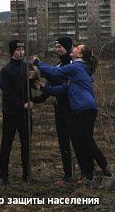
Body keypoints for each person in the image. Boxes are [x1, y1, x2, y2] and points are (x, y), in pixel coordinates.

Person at [33, 44, 115, 188]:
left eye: (77, 48)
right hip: (84, 109)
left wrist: (37, 63)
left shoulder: (76, 67)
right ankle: (89, 177)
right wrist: (44, 87)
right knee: (84, 143)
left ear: (80, 55)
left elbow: (54, 72)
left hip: (84, 109)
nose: (74, 49)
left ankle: (108, 173)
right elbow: (64, 88)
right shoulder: (79, 70)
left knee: (87, 142)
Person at [32, 36, 79, 184]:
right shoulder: (58, 66)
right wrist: (36, 97)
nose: (57, 49)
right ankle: (68, 175)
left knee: (78, 142)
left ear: (68, 47)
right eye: (56, 47)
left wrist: (42, 72)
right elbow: (50, 84)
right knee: (63, 143)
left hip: (73, 109)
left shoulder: (73, 65)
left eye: (60, 47)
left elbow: (63, 87)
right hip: (60, 109)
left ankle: (85, 174)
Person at [0, 40, 33, 186]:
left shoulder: (28, 67)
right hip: (11, 113)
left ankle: (27, 175)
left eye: (23, 49)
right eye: (18, 50)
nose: (21, 52)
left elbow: (34, 85)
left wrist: (39, 92)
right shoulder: (6, 70)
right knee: (7, 143)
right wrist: (22, 104)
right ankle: (3, 176)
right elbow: (7, 93)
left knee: (27, 144)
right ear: (12, 52)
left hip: (26, 114)